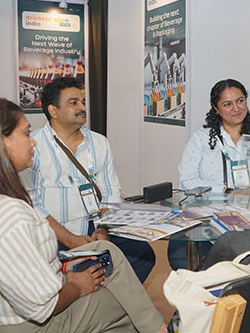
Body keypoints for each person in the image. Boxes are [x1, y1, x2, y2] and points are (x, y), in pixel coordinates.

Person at [0, 98, 165, 332]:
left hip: (3, 303)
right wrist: (77, 287)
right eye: (26, 134)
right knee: (129, 304)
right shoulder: (7, 214)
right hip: (32, 322)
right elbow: (43, 307)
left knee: (106, 250)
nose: (33, 142)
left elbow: (9, 261)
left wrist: (62, 264)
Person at [20, 77, 155, 283]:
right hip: (53, 231)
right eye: (73, 102)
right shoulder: (32, 146)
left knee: (143, 255)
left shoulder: (99, 143)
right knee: (65, 267)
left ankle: (102, 295)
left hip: (95, 224)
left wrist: (103, 228)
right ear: (53, 111)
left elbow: (110, 192)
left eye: (83, 101)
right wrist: (68, 238)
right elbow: (30, 204)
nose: (82, 107)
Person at [179, 78, 250, 202]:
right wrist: (227, 192)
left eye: (240, 101)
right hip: (213, 209)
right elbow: (187, 181)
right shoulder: (200, 140)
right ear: (216, 108)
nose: (236, 108)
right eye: (227, 104)